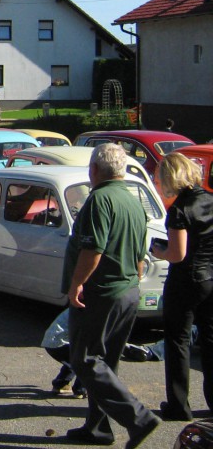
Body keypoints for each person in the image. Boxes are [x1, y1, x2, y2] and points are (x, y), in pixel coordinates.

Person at [63, 142, 160, 448]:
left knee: (85, 360)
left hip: (103, 292)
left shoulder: (100, 199)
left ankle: (139, 419)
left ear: (94, 169)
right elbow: (141, 248)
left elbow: (93, 248)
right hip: (127, 289)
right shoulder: (132, 198)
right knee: (106, 364)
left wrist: (76, 283)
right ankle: (98, 428)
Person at [151, 152, 213, 421]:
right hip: (210, 277)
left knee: (177, 341)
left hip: (186, 279)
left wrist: (158, 251)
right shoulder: (210, 199)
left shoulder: (179, 209)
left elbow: (177, 254)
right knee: (210, 340)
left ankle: (178, 405)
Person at [42, 307, 86, 398]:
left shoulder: (76, 306)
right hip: (61, 343)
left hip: (50, 342)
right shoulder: (88, 310)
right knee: (86, 360)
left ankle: (61, 384)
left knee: (72, 359)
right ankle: (81, 389)